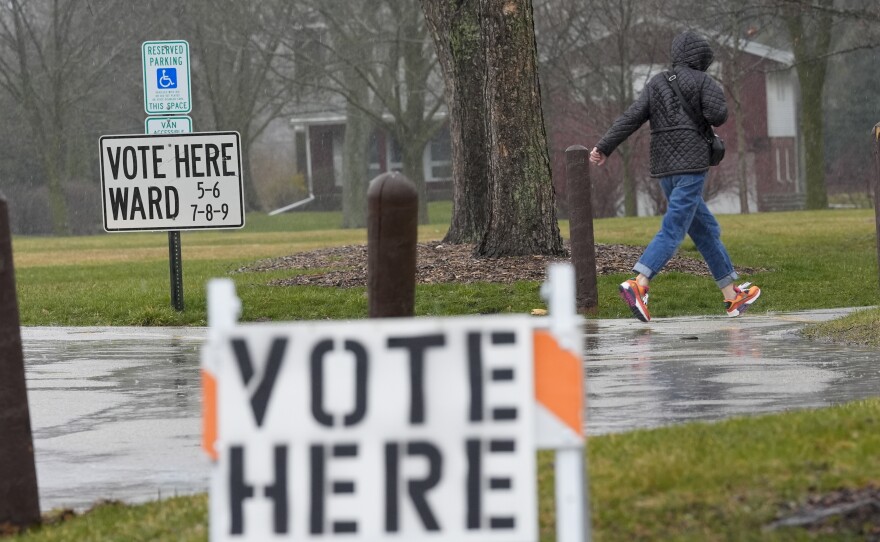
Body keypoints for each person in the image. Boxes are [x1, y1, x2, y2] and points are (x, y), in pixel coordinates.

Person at [589, 30, 760, 322]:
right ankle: (639, 283)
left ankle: (732, 295)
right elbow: (718, 116)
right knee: (674, 229)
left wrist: (604, 146)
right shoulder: (705, 82)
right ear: (701, 58)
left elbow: (631, 116)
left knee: (706, 230)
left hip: (665, 169)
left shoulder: (657, 83)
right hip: (691, 167)